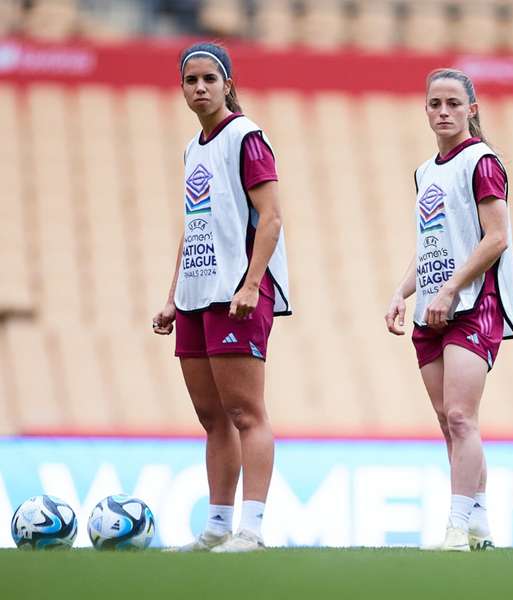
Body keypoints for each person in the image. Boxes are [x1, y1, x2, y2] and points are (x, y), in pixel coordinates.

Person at [153, 42, 291, 553]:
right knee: (212, 417)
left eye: (210, 78)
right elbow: (196, 227)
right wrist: (172, 296)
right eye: (191, 80)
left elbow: (271, 218)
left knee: (245, 412)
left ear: (228, 84)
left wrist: (251, 283)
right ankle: (216, 526)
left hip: (235, 292)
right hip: (196, 292)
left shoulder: (245, 137)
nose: (200, 88)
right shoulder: (194, 149)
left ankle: (251, 529)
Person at [384, 68, 513, 551]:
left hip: (473, 305)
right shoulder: (425, 172)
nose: (443, 111)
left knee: (462, 417)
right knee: (449, 421)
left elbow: (497, 237)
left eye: (452, 104)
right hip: (432, 311)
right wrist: (402, 291)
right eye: (434, 104)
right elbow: (431, 245)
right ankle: (479, 521)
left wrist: (448, 290)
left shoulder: (482, 162)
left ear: (472, 109)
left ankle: (457, 527)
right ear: (425, 110)